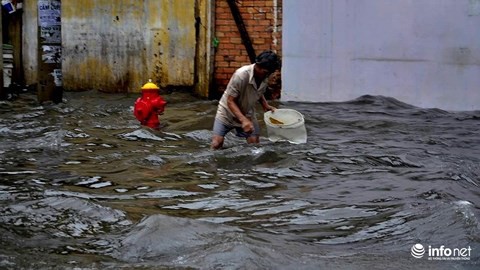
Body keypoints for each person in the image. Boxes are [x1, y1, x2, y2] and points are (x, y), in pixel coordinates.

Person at [211, 50, 281, 149]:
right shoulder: (241, 75)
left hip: (248, 113)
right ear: (258, 66)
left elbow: (258, 91)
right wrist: (243, 120)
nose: (267, 75)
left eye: (269, 73)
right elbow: (230, 101)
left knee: (254, 146)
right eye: (265, 72)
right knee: (216, 144)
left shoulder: (264, 77)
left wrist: (265, 105)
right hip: (226, 112)